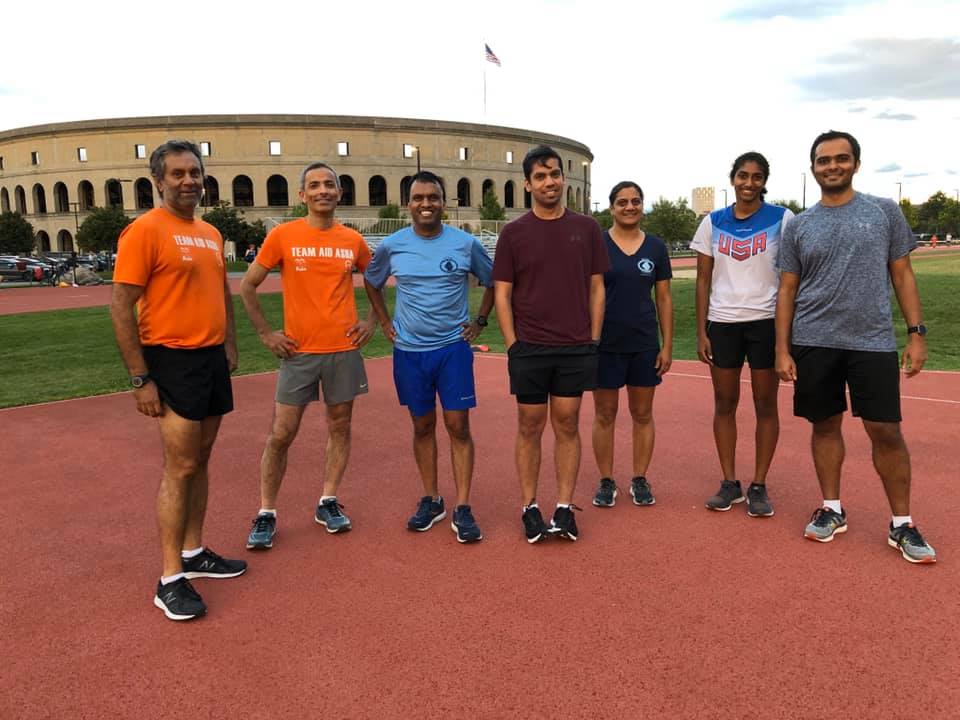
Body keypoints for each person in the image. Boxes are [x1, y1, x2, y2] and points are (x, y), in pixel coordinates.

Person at [775, 129, 936, 563]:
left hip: (871, 341)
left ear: (856, 164)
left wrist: (916, 334)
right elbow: (787, 289)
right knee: (824, 425)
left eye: (840, 158)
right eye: (823, 160)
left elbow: (902, 274)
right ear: (813, 168)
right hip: (813, 340)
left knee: (886, 430)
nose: (832, 166)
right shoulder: (800, 225)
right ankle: (831, 508)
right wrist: (782, 349)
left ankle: (902, 523)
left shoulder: (883, 212)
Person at [110, 139, 245, 622]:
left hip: (210, 359)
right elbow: (121, 306)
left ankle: (194, 552)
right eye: (178, 174)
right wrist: (139, 378)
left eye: (195, 172)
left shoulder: (210, 233)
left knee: (201, 460)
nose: (189, 181)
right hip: (170, 359)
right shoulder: (144, 231)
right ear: (158, 182)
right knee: (180, 466)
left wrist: (230, 343)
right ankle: (169, 578)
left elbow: (221, 292)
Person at [240, 162, 376, 551]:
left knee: (340, 427)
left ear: (339, 193)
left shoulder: (352, 240)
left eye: (329, 184)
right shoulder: (283, 235)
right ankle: (267, 512)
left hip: (343, 350)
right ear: (302, 195)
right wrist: (266, 334)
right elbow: (248, 285)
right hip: (298, 353)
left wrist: (371, 321)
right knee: (282, 434)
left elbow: (378, 280)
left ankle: (328, 501)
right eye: (314, 185)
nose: (322, 191)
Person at [364, 170, 494, 543]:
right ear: (408, 204)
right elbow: (372, 281)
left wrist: (480, 322)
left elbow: (494, 280)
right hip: (409, 352)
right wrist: (384, 322)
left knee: (458, 427)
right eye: (419, 198)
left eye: (433, 197)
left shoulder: (465, 244)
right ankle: (431, 498)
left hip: (452, 351)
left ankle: (463, 506)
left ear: (443, 202)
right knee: (422, 426)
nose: (426, 204)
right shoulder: (392, 245)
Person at [493, 145, 608, 543]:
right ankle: (529, 506)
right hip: (529, 347)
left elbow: (597, 287)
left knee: (568, 423)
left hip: (575, 346)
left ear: (563, 178)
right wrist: (512, 344)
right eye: (540, 176)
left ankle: (563, 507)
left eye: (554, 174)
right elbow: (502, 293)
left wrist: (593, 338)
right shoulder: (513, 233)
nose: (549, 182)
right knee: (529, 425)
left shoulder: (587, 229)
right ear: (527, 184)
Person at [691, 152, 793, 517]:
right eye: (743, 175)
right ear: (732, 178)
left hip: (766, 321)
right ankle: (729, 482)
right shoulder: (712, 222)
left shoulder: (782, 218)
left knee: (765, 404)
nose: (749, 183)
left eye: (756, 177)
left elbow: (791, 278)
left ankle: (759, 484)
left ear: (764, 181)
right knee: (724, 403)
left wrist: (784, 339)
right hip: (723, 322)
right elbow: (703, 280)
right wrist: (701, 331)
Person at [591, 181, 673, 508]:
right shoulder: (597, 244)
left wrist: (666, 345)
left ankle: (639, 478)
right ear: (612, 208)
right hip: (605, 344)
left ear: (642, 206)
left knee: (642, 413)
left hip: (643, 343)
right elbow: (589, 293)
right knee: (604, 414)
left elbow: (663, 298)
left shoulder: (655, 247)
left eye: (635, 201)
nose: (629, 207)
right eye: (622, 202)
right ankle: (606, 480)